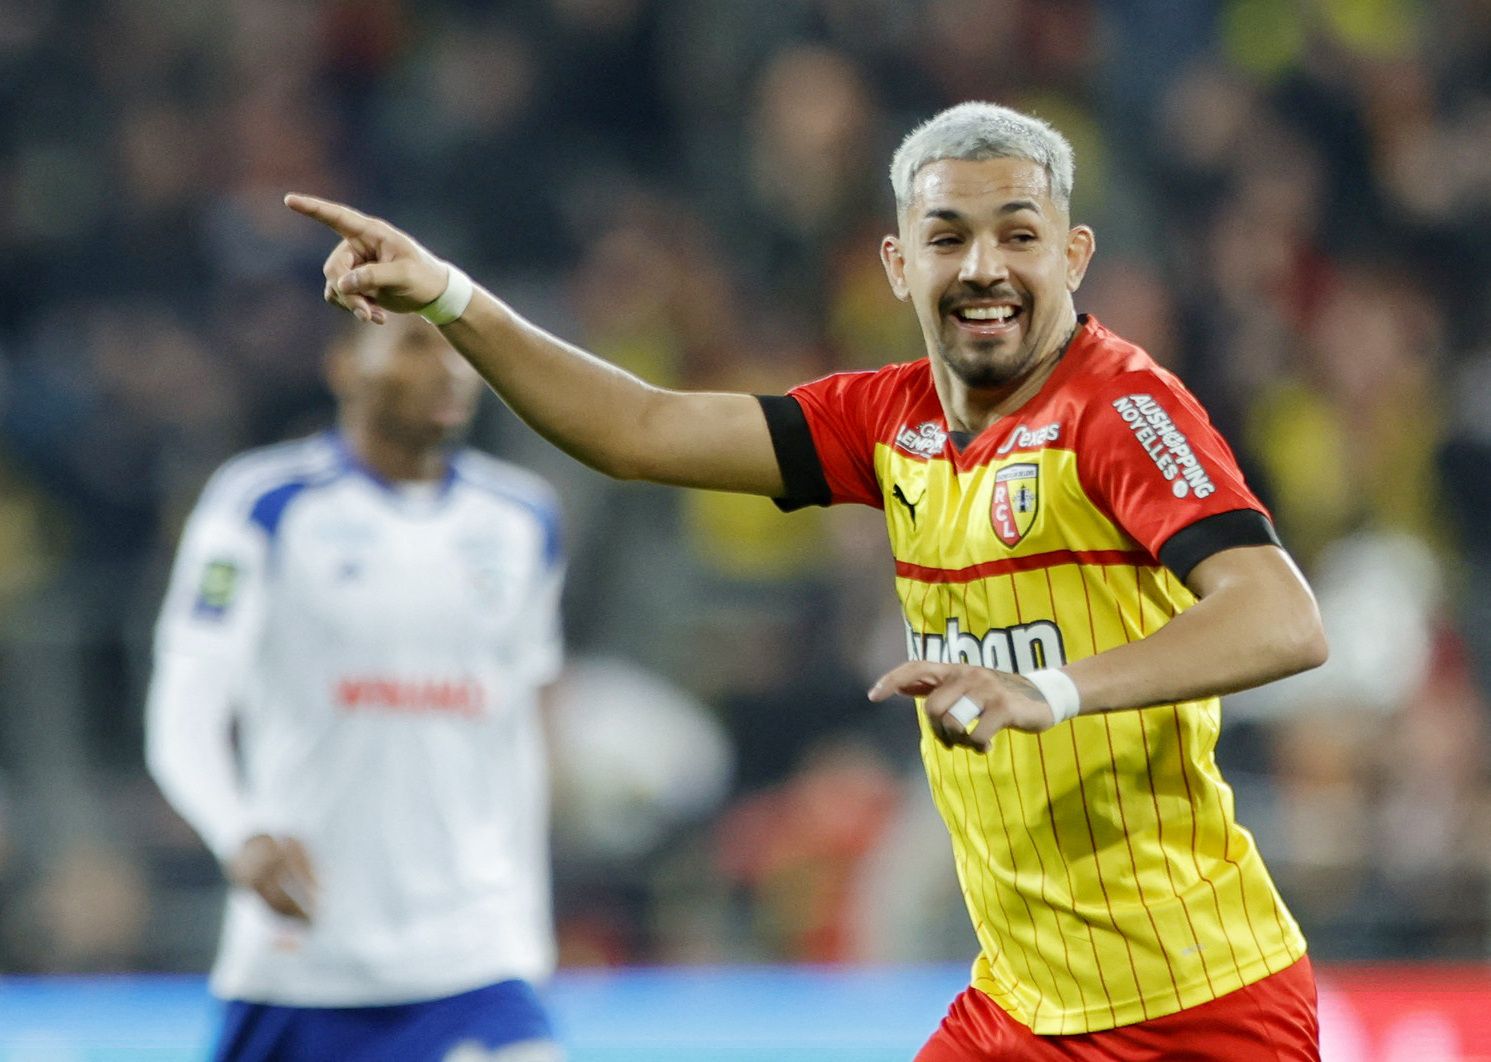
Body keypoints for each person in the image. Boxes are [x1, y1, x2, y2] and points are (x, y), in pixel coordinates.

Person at [286, 100, 1328, 1060]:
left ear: (1074, 254)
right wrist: (452, 297)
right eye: (948, 237)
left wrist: (1049, 691)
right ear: (896, 262)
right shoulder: (890, 420)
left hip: (1199, 1006)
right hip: (1024, 1005)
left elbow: (1281, 617)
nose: (985, 267)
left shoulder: (1119, 411)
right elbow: (639, 428)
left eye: (1020, 234)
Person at [145, 314, 567, 1062]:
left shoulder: (523, 521)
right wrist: (237, 832)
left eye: (458, 347)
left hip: (472, 953)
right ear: (345, 364)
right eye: (415, 344)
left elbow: (522, 727)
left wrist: (526, 922)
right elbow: (185, 705)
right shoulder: (262, 503)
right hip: (307, 959)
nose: (449, 369)